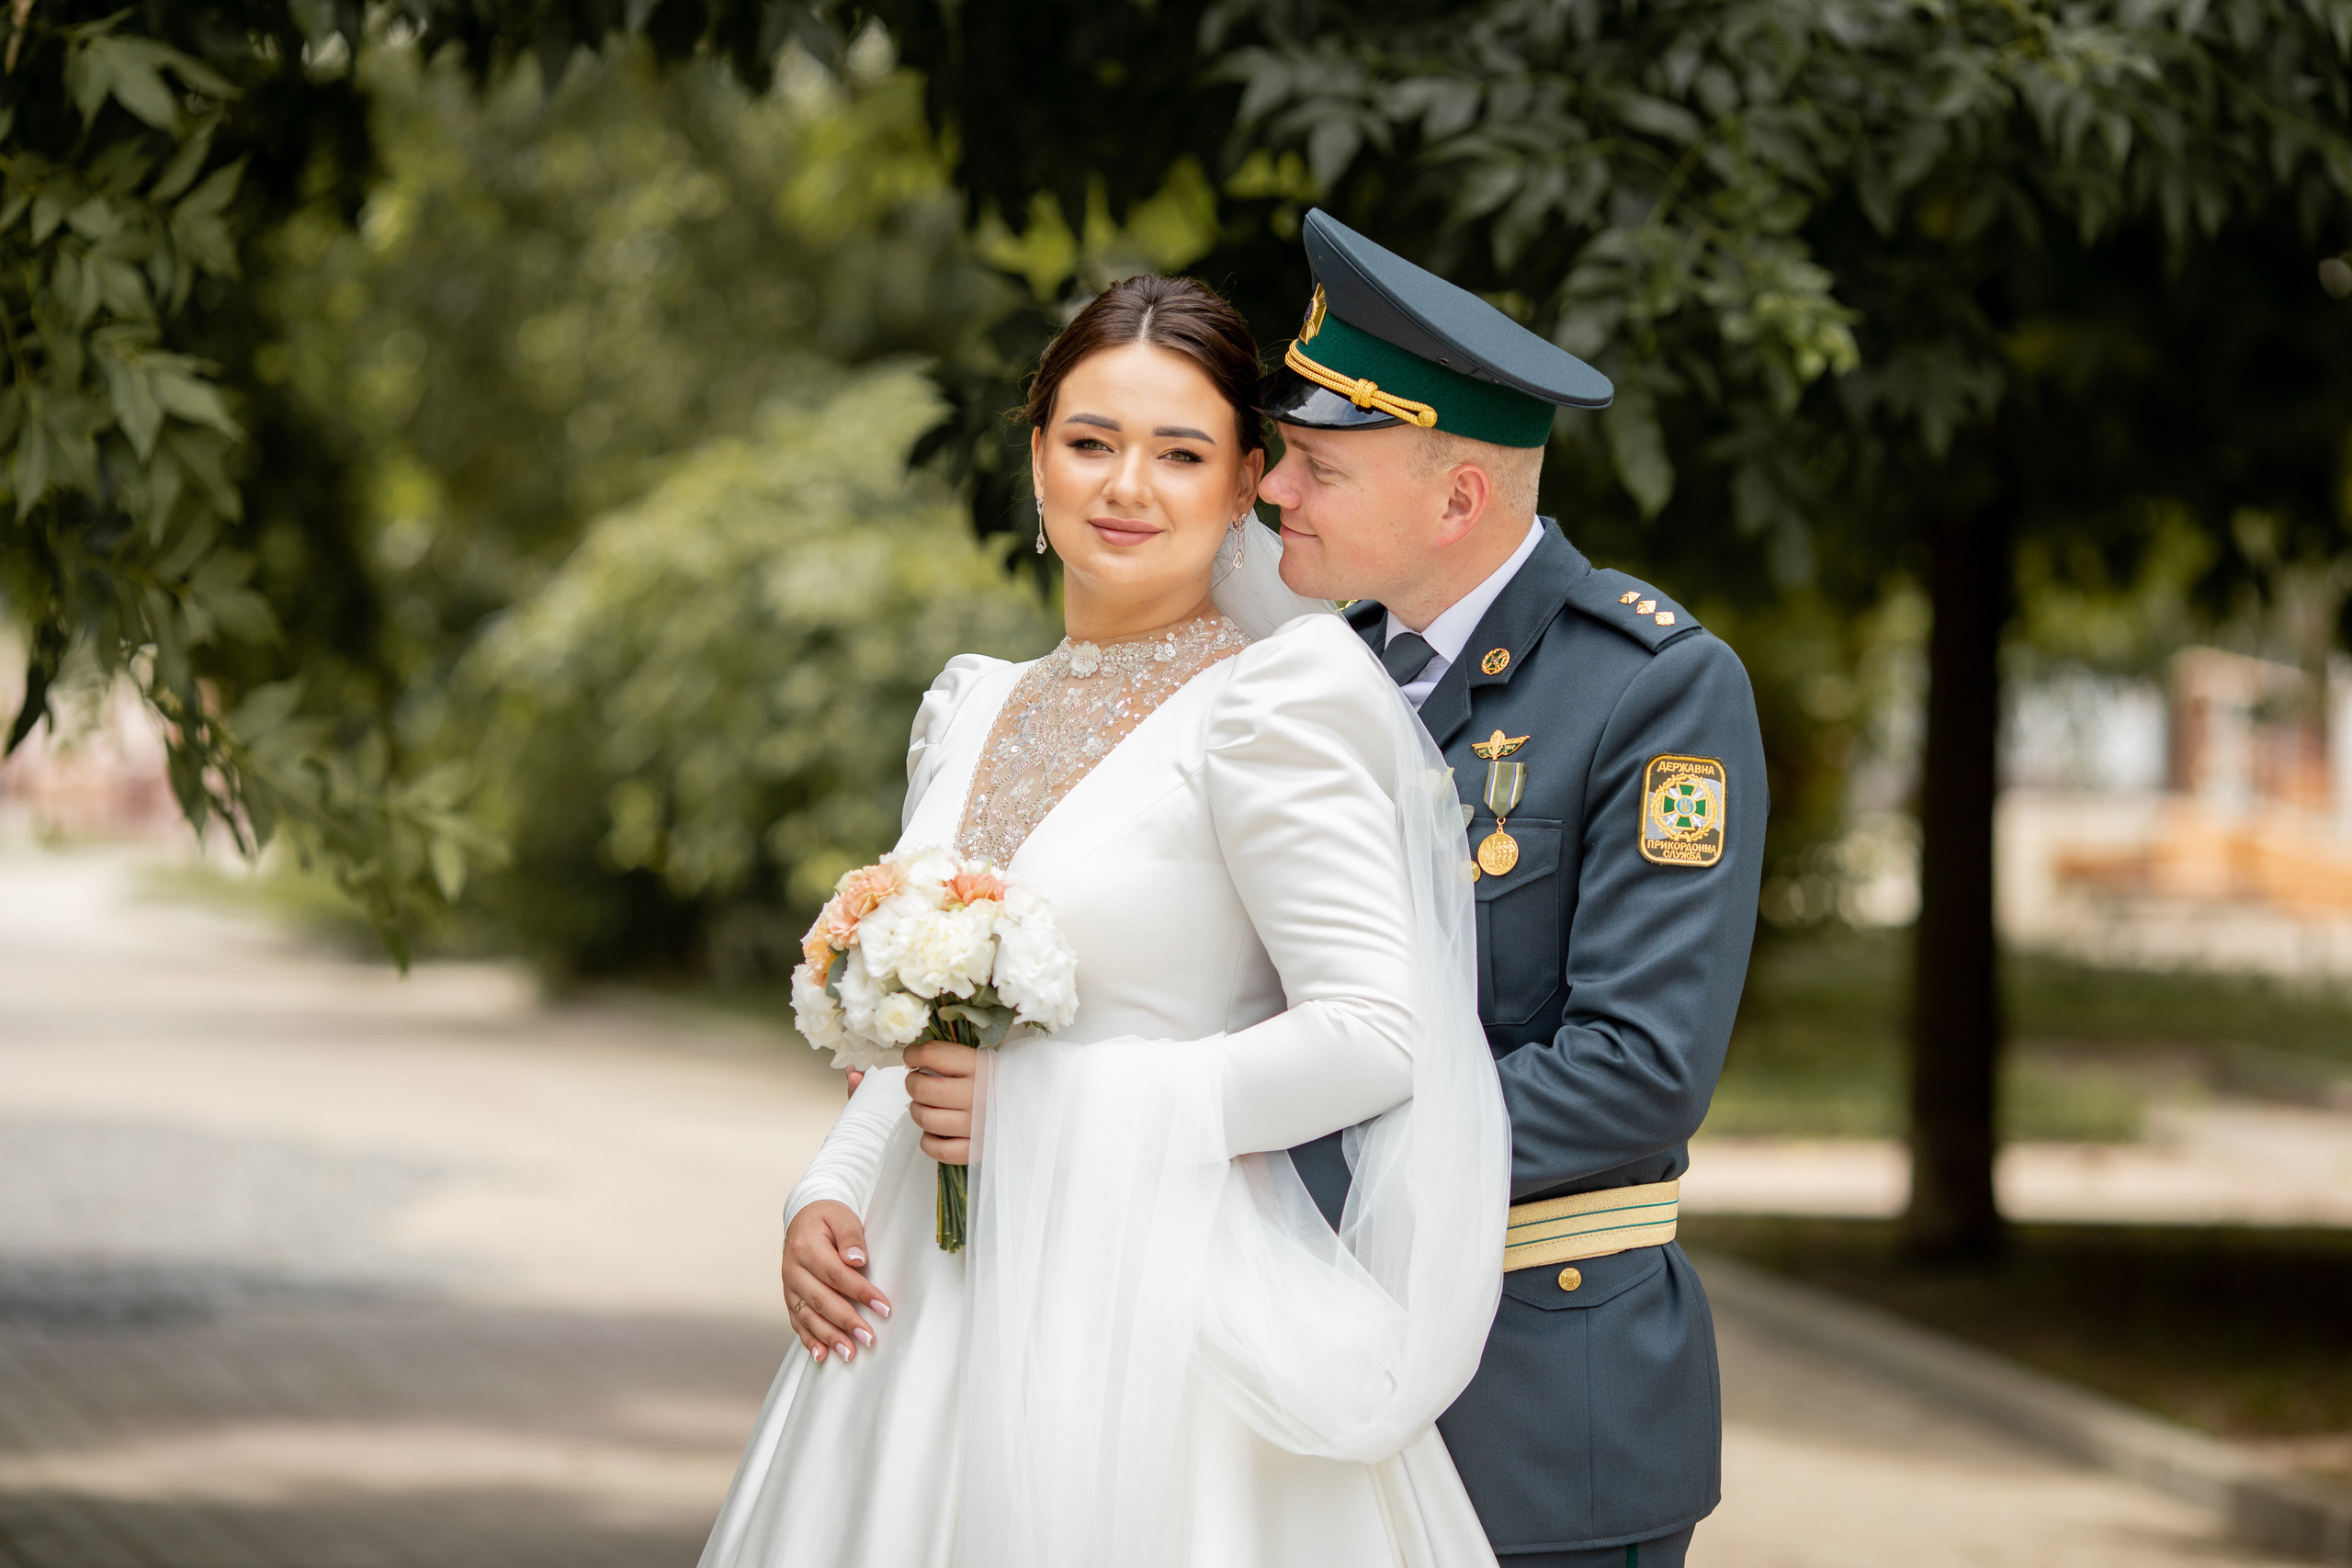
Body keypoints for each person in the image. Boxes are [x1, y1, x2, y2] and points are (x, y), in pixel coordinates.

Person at [697, 275, 1513, 1568]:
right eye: (1091, 442)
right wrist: (831, 1188)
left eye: (1179, 453)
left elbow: (1374, 1030)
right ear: (1037, 459)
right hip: (921, 1303)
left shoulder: (1269, 713)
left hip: (1147, 1317)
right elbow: (928, 1018)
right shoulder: (971, 707)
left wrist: (1058, 1112)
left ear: (1248, 480)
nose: (1127, 485)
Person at [1261, 210, 1769, 1566]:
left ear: (1456, 499)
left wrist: (1285, 1153)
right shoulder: (1323, 681)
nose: (1274, 493)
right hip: (1306, 1371)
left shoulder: (1650, 689)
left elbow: (1635, 1069)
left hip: (1535, 1408)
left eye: (1316, 465)